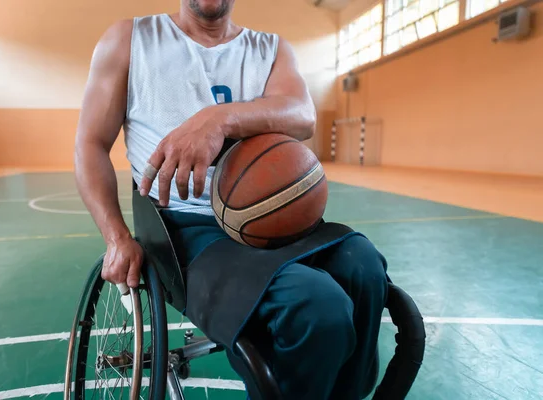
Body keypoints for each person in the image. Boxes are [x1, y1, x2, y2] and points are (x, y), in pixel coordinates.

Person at [74, 1, 389, 398]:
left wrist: (217, 119)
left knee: (364, 265)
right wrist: (116, 237)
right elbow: (90, 145)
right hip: (183, 229)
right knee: (316, 305)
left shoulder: (270, 49)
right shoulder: (129, 39)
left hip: (271, 214)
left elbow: (302, 115)